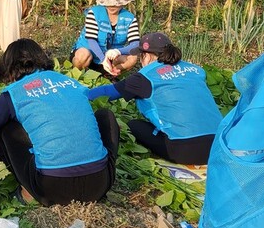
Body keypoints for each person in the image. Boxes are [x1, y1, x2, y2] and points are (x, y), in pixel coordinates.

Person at [0, 39, 120, 206]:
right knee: (105, 115)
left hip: (51, 189)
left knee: (5, 127)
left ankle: (27, 192)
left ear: (8, 68)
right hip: (99, 185)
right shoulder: (69, 82)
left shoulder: (11, 95)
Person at [87, 32, 222, 165]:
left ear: (146, 56)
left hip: (184, 150)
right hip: (219, 146)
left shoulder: (145, 77)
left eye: (141, 56)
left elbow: (107, 92)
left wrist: (80, 94)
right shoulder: (196, 70)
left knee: (135, 125)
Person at [71, 0, 140, 77]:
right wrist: (103, 59)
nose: (112, 6)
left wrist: (117, 51)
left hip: (112, 58)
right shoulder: (94, 13)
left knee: (132, 58)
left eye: (116, 3)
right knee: (82, 56)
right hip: (91, 53)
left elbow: (136, 44)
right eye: (109, 2)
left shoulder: (130, 18)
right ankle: (78, 74)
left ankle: (110, 74)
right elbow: (91, 40)